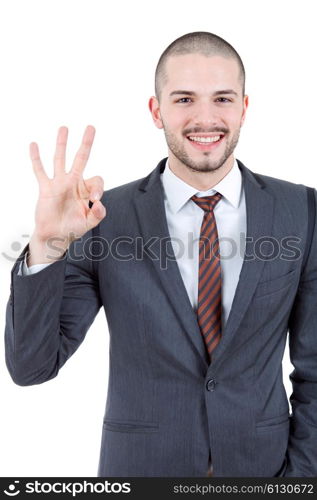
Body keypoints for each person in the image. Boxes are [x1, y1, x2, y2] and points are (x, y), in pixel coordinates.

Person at [4, 31, 317, 478]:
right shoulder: (102, 219)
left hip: (265, 472)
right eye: (184, 99)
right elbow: (31, 366)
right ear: (157, 111)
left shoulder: (302, 211)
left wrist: (298, 483)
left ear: (245, 108)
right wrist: (49, 243)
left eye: (223, 99)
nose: (205, 118)